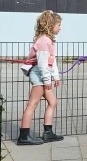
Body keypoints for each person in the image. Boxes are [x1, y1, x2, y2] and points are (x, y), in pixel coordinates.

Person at [17, 10, 64, 145]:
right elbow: (43, 64)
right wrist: (47, 80)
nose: (60, 28)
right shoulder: (44, 41)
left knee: (53, 102)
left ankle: (48, 133)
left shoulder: (48, 41)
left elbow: (52, 61)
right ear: (50, 25)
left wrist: (56, 76)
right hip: (39, 74)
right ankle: (24, 136)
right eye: (58, 25)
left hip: (44, 74)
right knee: (32, 104)